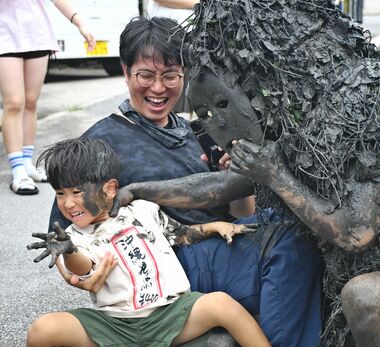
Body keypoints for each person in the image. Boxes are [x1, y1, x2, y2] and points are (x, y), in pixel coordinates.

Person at [110, 1, 380, 346]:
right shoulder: (287, 118)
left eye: (224, 102)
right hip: (342, 266)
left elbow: (356, 233)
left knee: (368, 298)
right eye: (205, 113)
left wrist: (276, 175)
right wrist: (139, 190)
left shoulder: (369, 98)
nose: (218, 123)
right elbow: (226, 183)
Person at [48, 16, 323, 347]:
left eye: (170, 75)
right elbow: (63, 227)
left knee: (291, 228)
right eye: (146, 75)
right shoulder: (100, 143)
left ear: (185, 75)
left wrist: (234, 175)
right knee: (288, 242)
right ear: (125, 72)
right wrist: (75, 270)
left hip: (221, 247)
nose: (158, 88)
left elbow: (238, 210)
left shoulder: (201, 131)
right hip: (165, 264)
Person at [27, 137, 270, 347]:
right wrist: (68, 250)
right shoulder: (71, 236)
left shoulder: (142, 210)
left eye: (77, 192)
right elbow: (83, 267)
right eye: (60, 194)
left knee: (221, 303)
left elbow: (178, 233)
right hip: (113, 325)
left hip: (171, 314)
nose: (68, 203)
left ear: (110, 189)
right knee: (43, 328)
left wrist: (215, 227)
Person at [0, 0, 95, 195]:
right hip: (5, 34)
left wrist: (80, 23)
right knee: (14, 103)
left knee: (31, 101)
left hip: (37, 34)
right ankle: (18, 170)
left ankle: (27, 163)